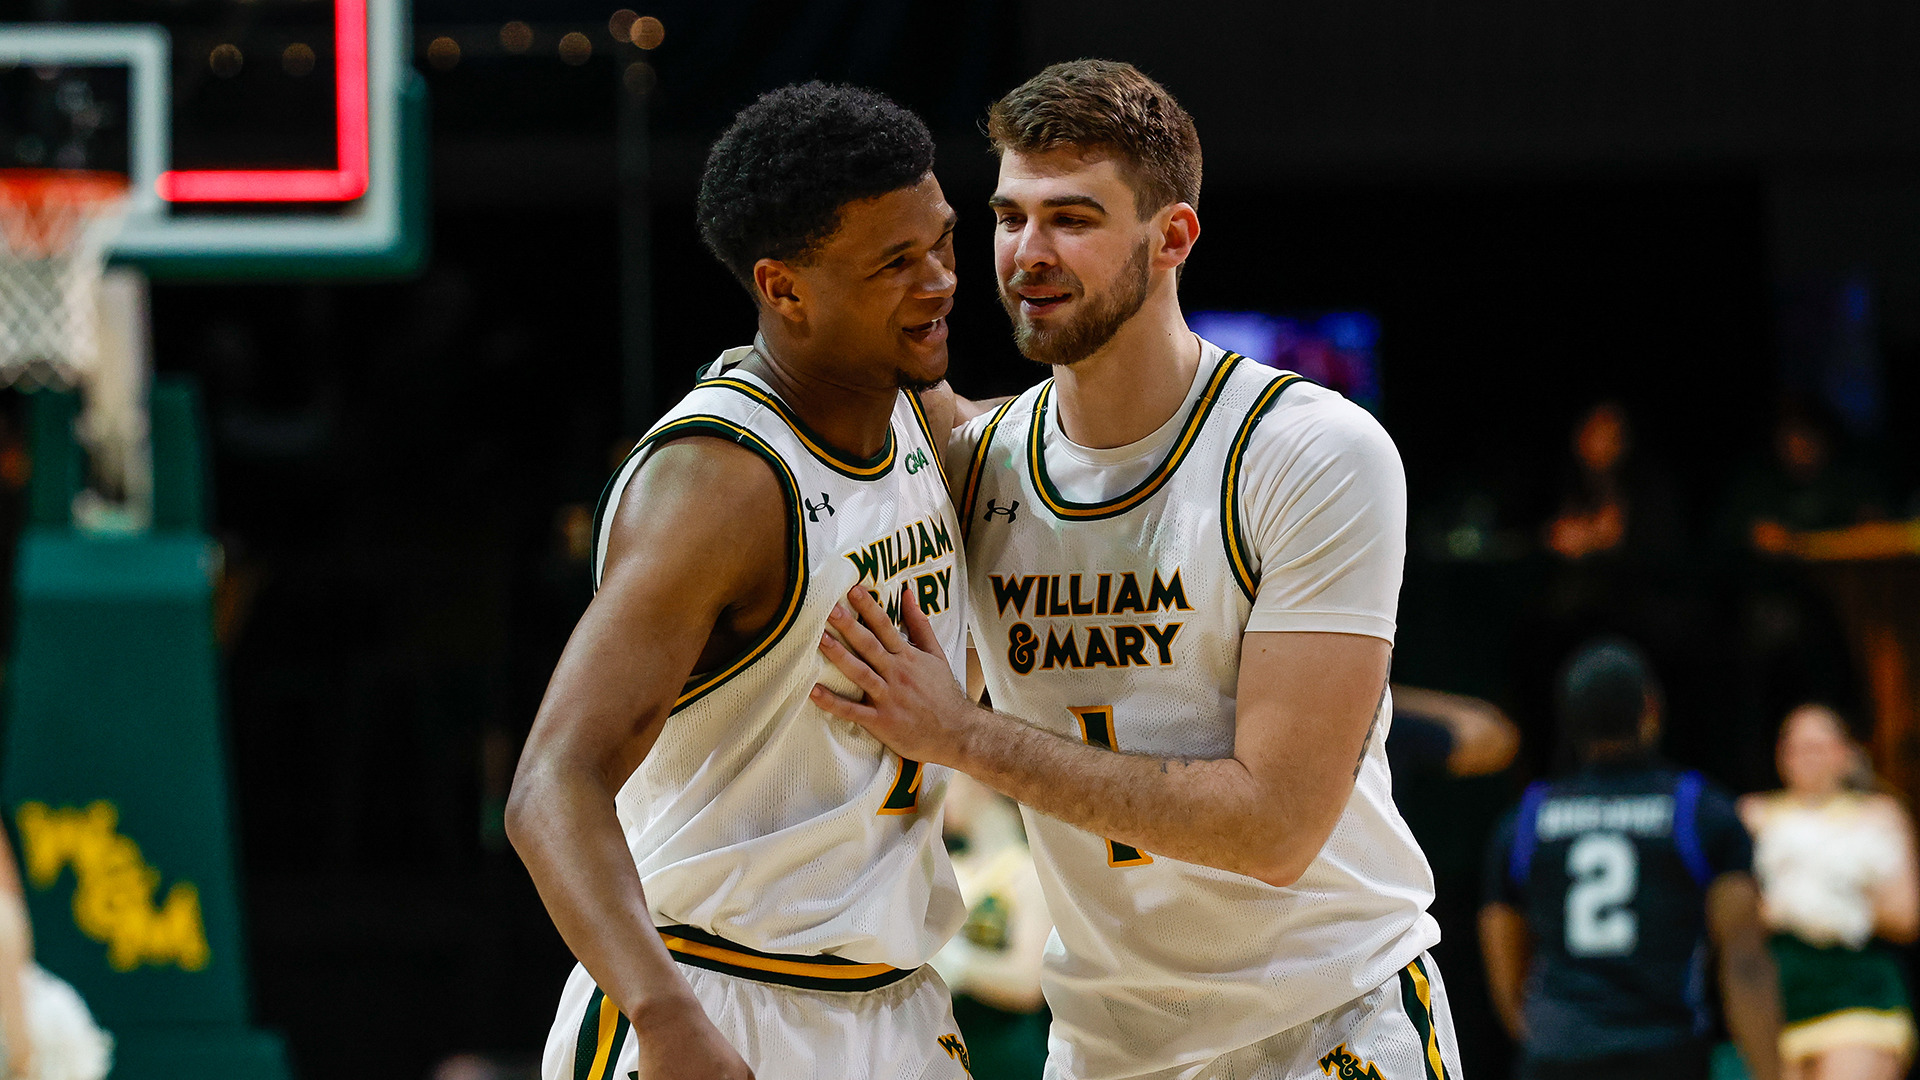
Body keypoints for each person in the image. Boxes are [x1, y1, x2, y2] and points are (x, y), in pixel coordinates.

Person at [814, 59, 1459, 1080]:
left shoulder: (1309, 452)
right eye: (1009, 218)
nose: (1028, 252)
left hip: (1324, 1025)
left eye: (1072, 219)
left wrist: (964, 735)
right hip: (1104, 1046)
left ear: (1173, 237)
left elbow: (1275, 829)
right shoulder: (979, 466)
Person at [506, 83, 978, 1080]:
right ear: (785, 289)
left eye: (942, 241)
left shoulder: (918, 416)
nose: (939, 280)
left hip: (896, 1003)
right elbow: (552, 783)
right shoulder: (720, 483)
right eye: (895, 263)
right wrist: (663, 1017)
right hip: (714, 993)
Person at [1479, 639, 1782, 1080]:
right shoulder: (1698, 808)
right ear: (1651, 708)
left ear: (1568, 718)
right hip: (1664, 1052)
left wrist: (1544, 1036)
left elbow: (1503, 962)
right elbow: (1746, 964)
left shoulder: (1525, 820)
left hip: (1556, 1055)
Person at [1738, 703, 1918, 1080]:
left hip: (1859, 998)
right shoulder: (1753, 816)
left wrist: (1838, 909)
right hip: (1777, 1006)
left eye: (1818, 747)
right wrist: (1781, 908)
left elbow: (1907, 918)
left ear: (1844, 753)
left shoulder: (1878, 815)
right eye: (1796, 747)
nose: (1807, 758)